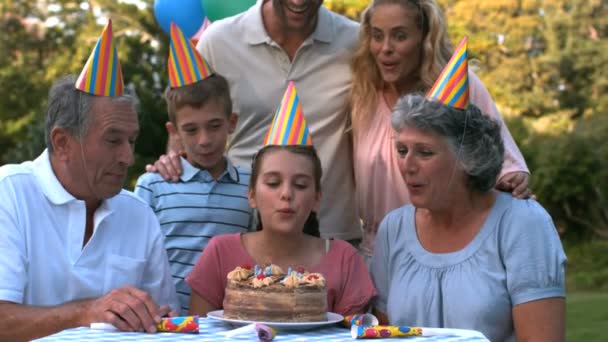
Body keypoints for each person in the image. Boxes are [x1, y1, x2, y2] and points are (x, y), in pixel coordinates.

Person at [0, 21, 178, 341]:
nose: (127, 157)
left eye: (131, 140)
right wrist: (86, 312)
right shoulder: (8, 193)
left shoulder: (139, 215)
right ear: (62, 143)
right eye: (113, 140)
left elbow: (166, 323)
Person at [147, 0, 363, 243]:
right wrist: (172, 164)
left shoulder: (356, 41)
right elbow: (186, 122)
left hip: (332, 238)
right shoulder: (219, 42)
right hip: (241, 239)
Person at [370, 94, 566, 341]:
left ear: (470, 158)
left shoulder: (523, 223)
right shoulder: (393, 229)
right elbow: (383, 333)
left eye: (425, 152)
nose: (407, 165)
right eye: (401, 150)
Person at [349, 0, 531, 257]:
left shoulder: (462, 87)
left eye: (400, 36)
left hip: (447, 250)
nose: (385, 48)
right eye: (377, 36)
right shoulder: (362, 96)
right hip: (377, 255)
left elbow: (505, 164)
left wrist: (513, 180)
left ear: (423, 38)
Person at [186, 83, 376, 317]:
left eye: (300, 185)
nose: (286, 194)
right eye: (273, 183)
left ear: (317, 199)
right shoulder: (220, 253)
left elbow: (354, 334)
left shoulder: (344, 260)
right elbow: (198, 331)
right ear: (252, 195)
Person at [134, 23, 254, 314]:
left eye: (214, 126)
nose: (204, 140)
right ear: (174, 131)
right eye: (191, 130)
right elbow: (134, 257)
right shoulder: (153, 185)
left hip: (229, 323)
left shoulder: (251, 185)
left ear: (232, 123)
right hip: (165, 323)